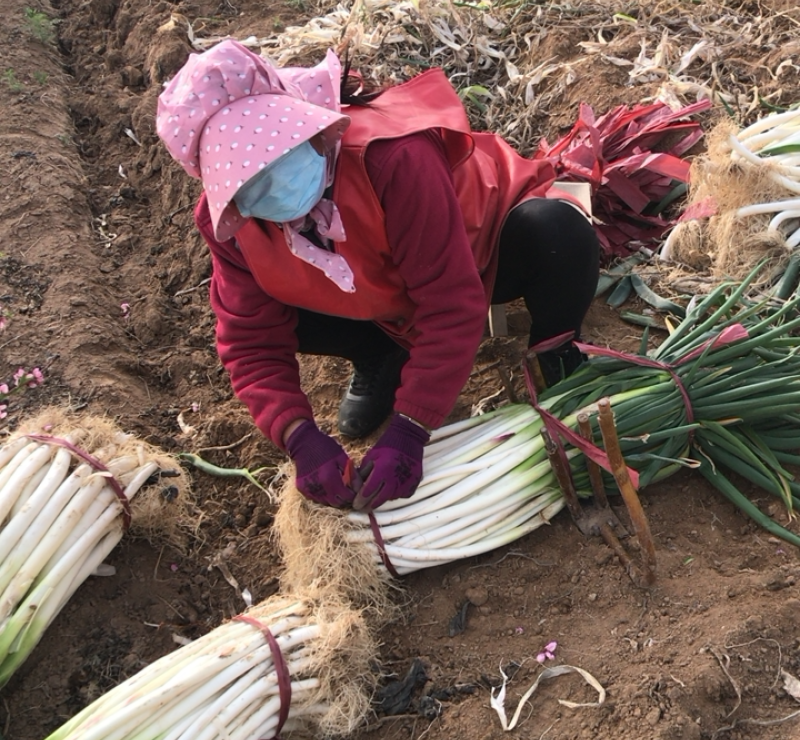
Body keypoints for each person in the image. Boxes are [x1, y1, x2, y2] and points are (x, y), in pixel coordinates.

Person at [156, 38, 599, 513]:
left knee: (557, 234)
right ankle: (381, 353)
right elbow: (250, 342)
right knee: (278, 305)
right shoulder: (231, 226)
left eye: (279, 154)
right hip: (379, 291)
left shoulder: (391, 158)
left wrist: (410, 429)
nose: (273, 183)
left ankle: (557, 351)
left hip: (482, 246)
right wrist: (298, 436)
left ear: (300, 124)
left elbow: (451, 303)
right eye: (249, 180)